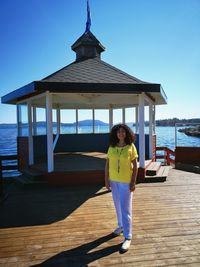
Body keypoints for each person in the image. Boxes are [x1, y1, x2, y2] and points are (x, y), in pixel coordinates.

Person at [105, 123, 138, 252]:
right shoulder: (112, 147)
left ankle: (128, 237)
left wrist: (133, 182)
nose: (121, 134)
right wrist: (106, 179)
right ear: (116, 134)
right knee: (117, 205)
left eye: (123, 132)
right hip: (114, 181)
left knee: (126, 209)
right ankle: (120, 226)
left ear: (127, 133)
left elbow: (135, 166)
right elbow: (107, 164)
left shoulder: (131, 147)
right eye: (118, 132)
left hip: (126, 182)